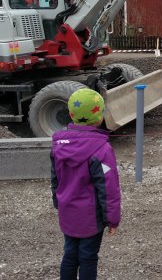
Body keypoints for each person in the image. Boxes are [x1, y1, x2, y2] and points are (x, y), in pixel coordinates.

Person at [50, 88, 121, 280]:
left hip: (67, 211)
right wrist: (112, 219)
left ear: (71, 114)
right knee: (88, 257)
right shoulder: (101, 149)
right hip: (90, 217)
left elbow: (55, 177)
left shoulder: (58, 145)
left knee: (70, 254)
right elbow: (108, 188)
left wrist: (58, 202)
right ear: (99, 116)